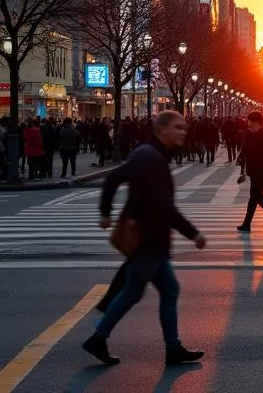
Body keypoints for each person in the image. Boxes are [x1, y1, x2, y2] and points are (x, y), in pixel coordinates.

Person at [83, 110, 207, 368]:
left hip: (152, 239)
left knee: (168, 290)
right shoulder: (151, 159)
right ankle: (98, 338)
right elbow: (163, 206)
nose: (183, 131)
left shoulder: (148, 154)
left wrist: (106, 212)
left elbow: (115, 178)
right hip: (148, 239)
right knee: (132, 292)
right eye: (178, 127)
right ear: (162, 130)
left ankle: (173, 348)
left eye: (184, 127)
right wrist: (192, 233)